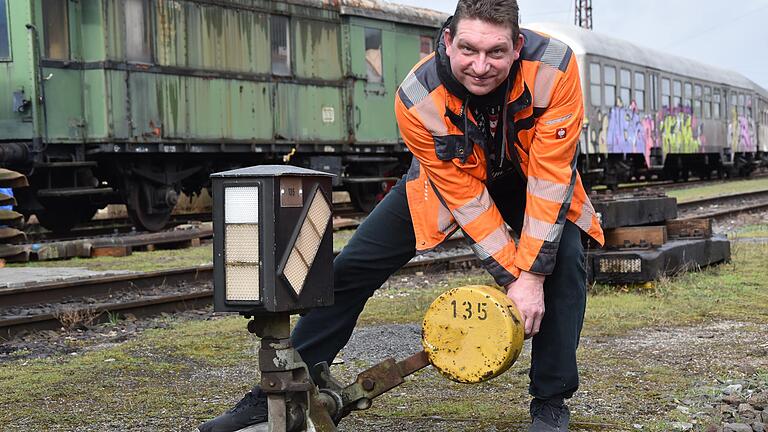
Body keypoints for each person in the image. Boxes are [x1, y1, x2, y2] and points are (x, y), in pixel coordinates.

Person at [200, 0, 604, 431]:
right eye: (468, 49)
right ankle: (276, 393)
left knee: (561, 260)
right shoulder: (417, 96)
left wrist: (533, 277)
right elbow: (466, 199)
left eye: (496, 53)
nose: (481, 66)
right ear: (447, 41)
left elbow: (551, 177)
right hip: (446, 180)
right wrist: (515, 279)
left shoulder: (556, 69)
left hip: (532, 178)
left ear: (517, 45)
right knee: (351, 268)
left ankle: (550, 402)